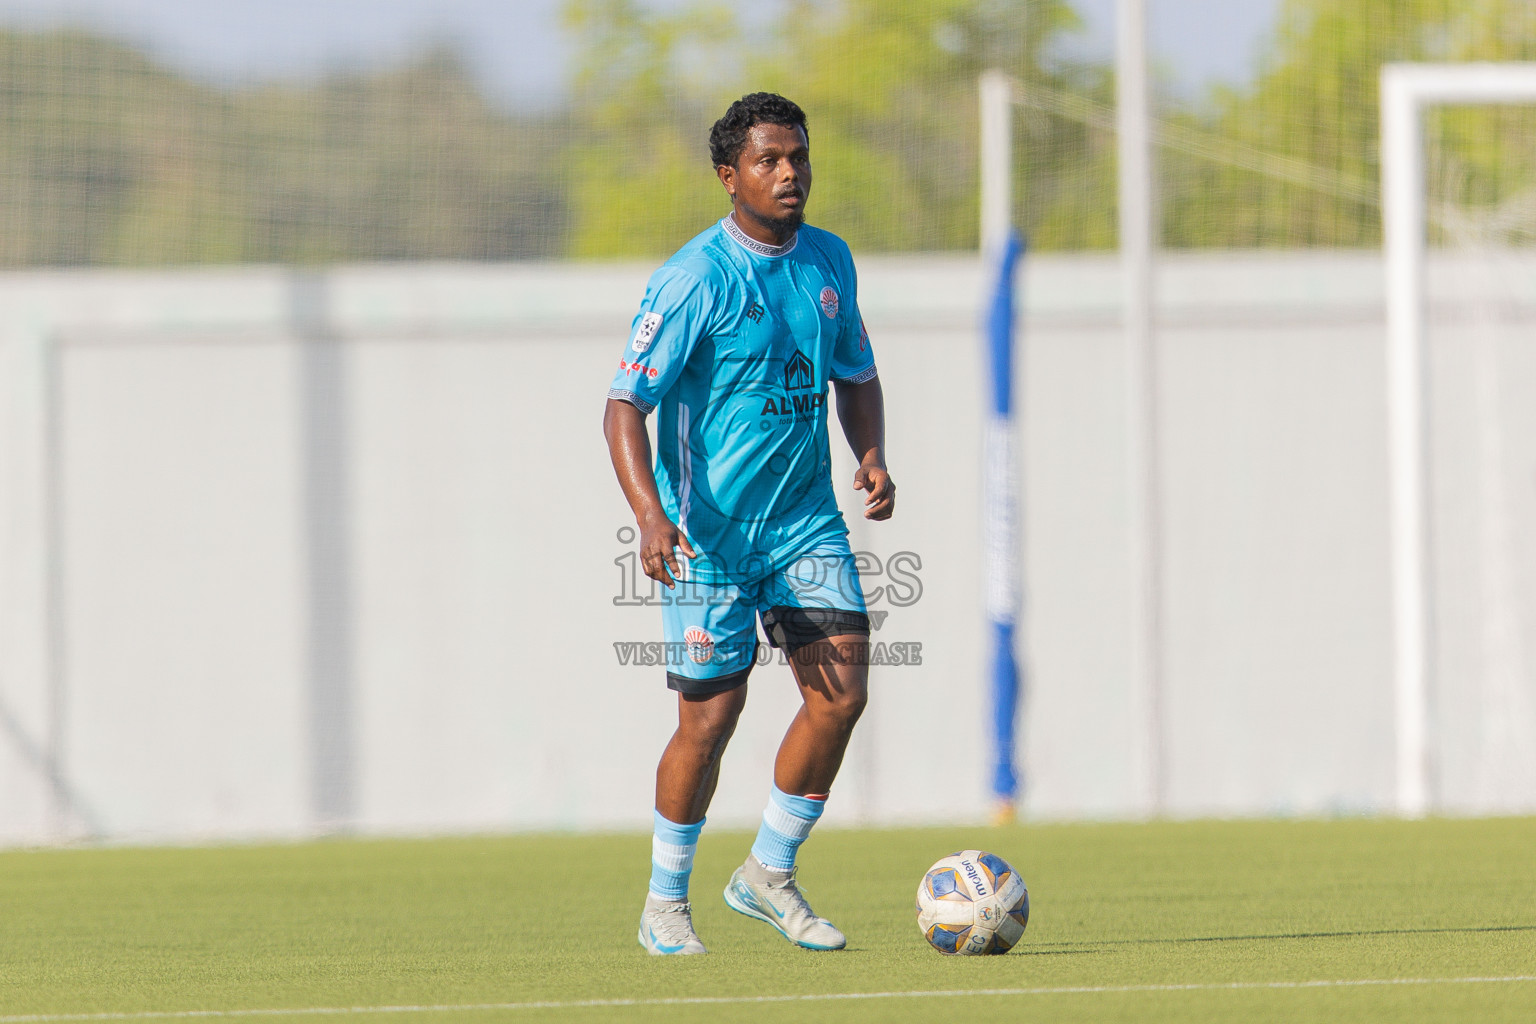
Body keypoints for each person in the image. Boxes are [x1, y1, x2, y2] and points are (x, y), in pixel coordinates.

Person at [602, 92, 894, 955]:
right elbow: (625, 407)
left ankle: (768, 872)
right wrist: (651, 517)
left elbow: (858, 373)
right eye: (769, 160)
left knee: (842, 693)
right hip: (709, 536)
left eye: (798, 157)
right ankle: (664, 902)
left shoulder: (829, 261)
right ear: (729, 177)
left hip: (804, 526)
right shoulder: (694, 279)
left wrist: (870, 454)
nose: (790, 173)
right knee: (711, 719)